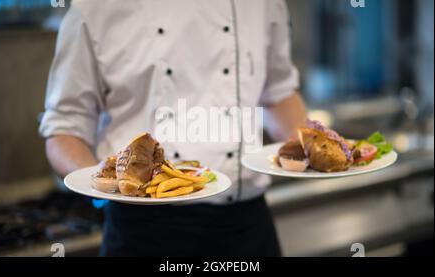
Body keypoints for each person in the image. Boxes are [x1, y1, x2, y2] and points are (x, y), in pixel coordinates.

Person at [39, 0, 307, 257]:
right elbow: (65, 127)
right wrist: (99, 184)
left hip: (247, 226)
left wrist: (311, 146)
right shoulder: (94, 7)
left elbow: (278, 93)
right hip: (141, 231)